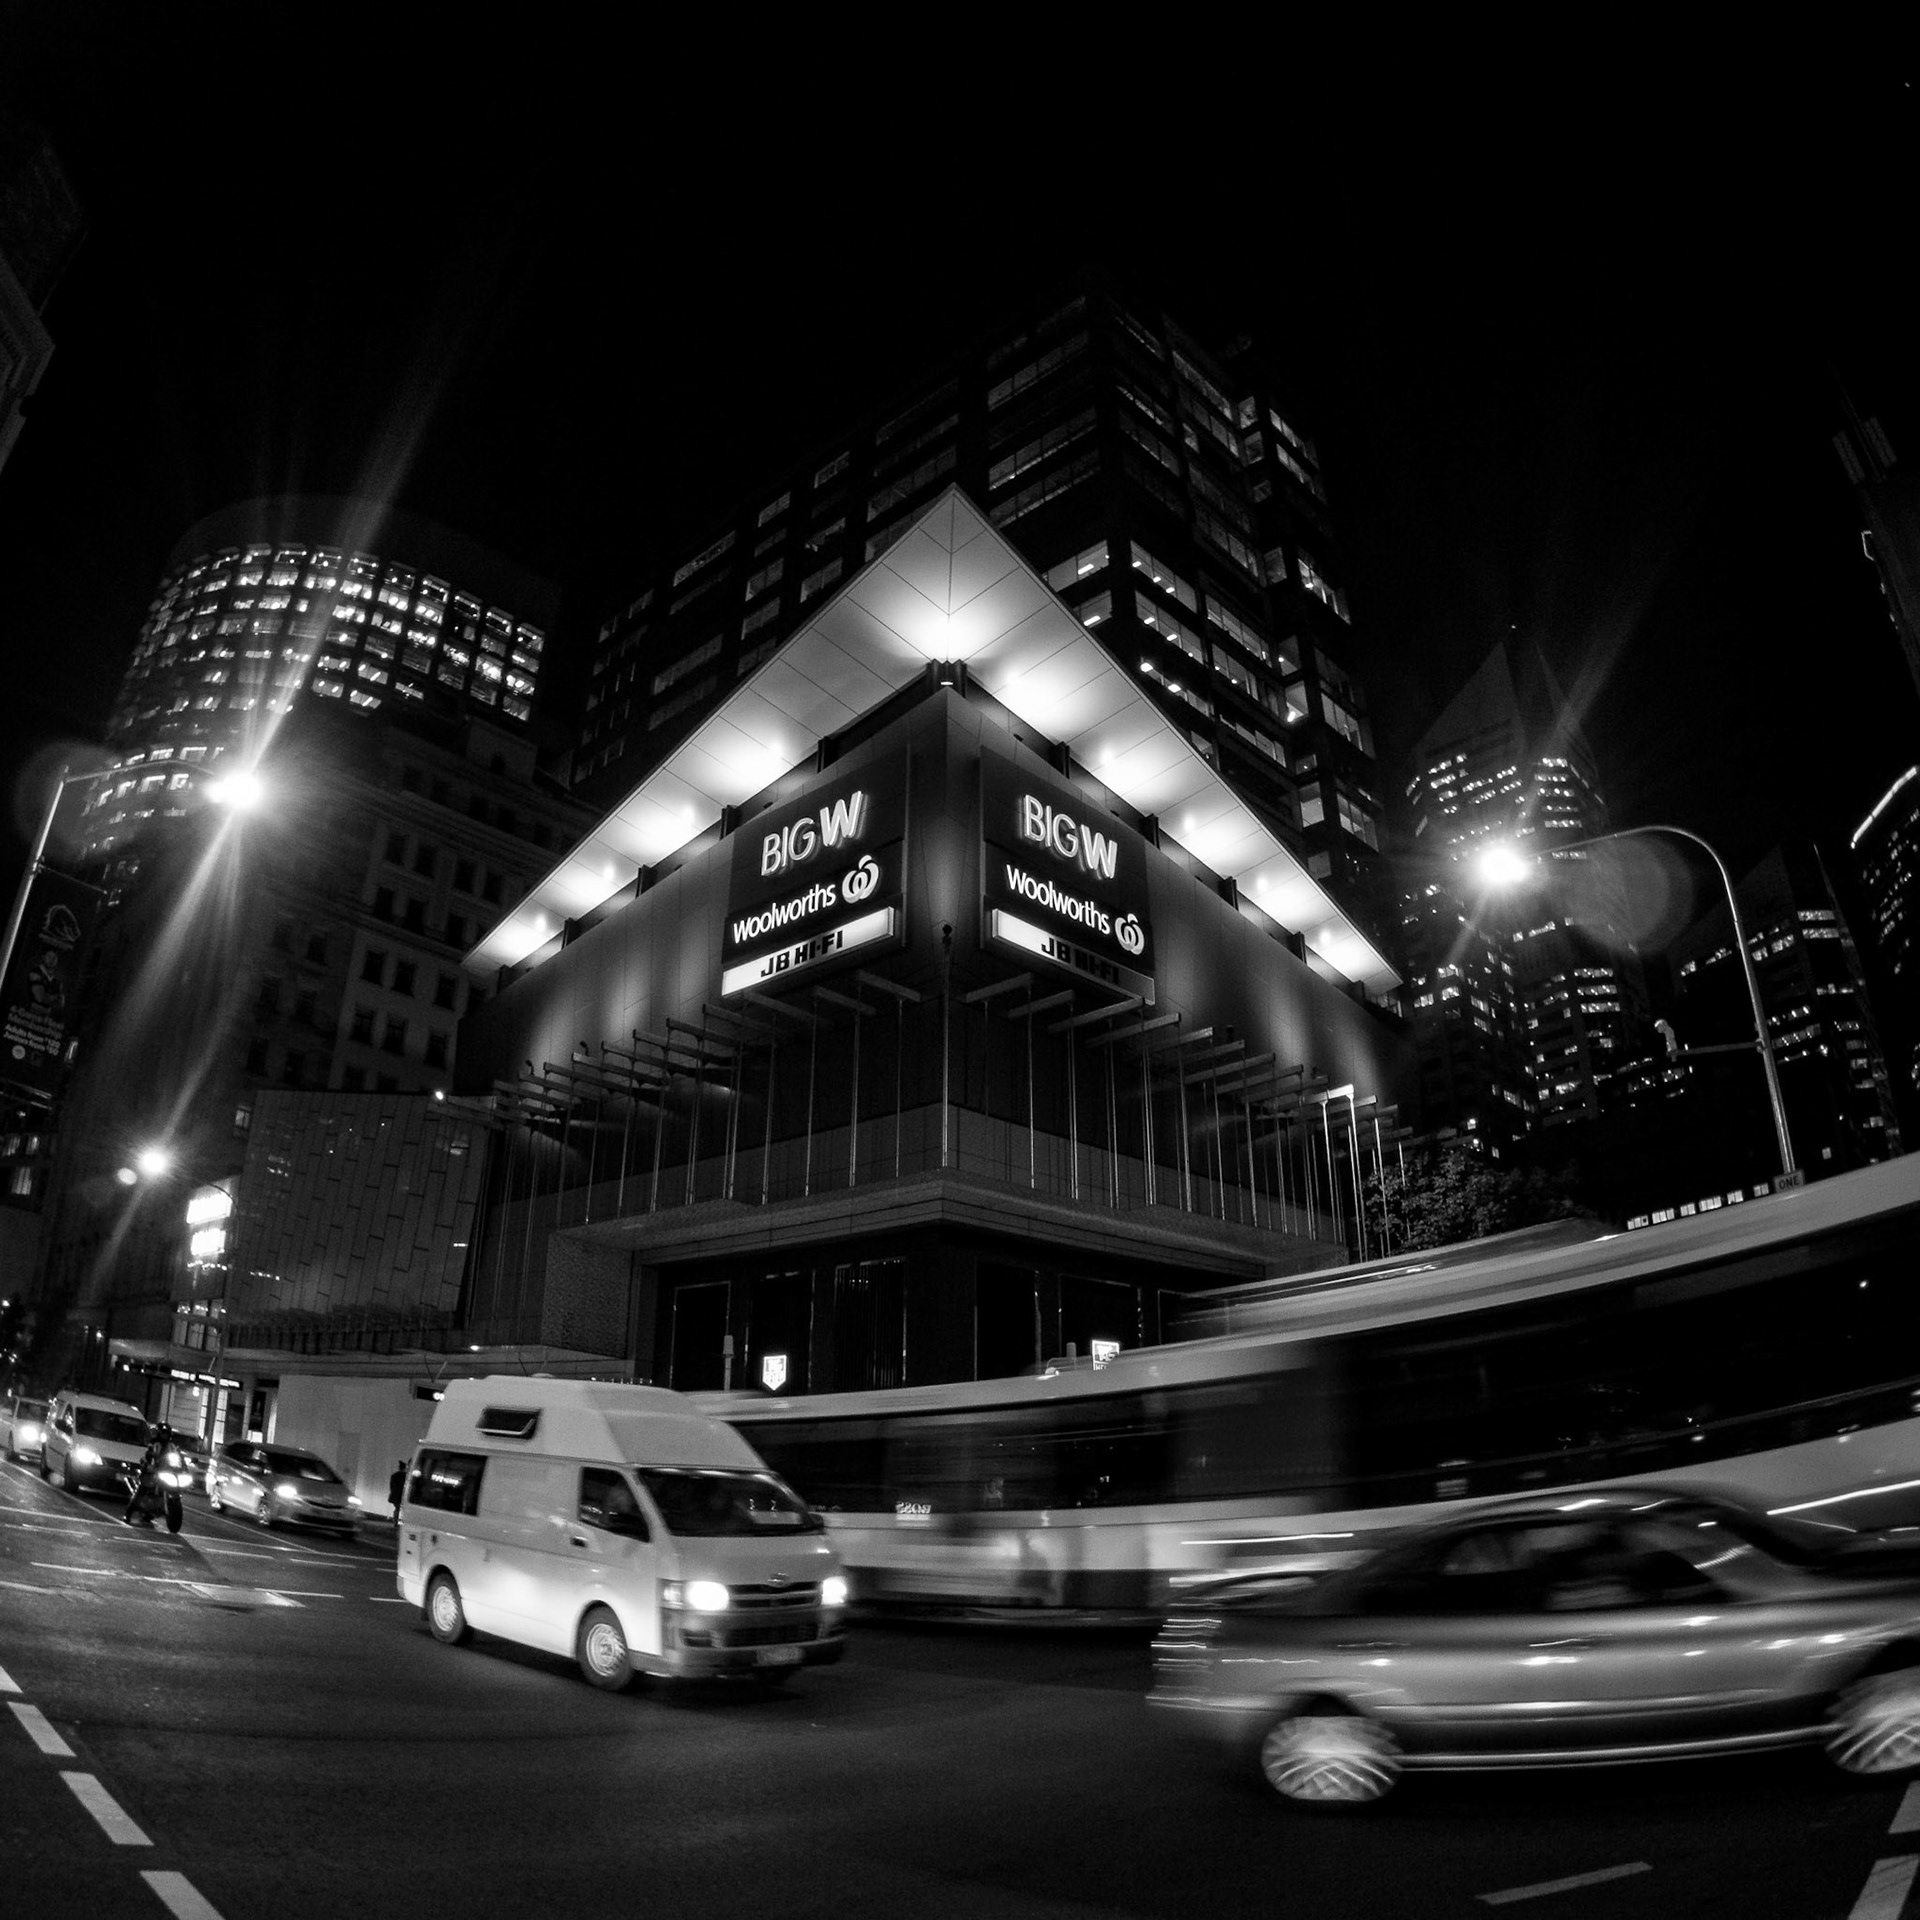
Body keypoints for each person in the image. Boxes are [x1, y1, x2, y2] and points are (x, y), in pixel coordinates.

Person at [124, 1423, 173, 1526]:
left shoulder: (170, 1446)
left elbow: (176, 1457)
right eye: (163, 1433)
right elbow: (149, 1453)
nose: (165, 1436)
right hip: (151, 1471)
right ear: (159, 1433)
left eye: (167, 1434)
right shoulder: (154, 1442)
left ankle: (166, 1509)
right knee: (142, 1490)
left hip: (164, 1471)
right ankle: (128, 1513)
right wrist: (149, 1462)